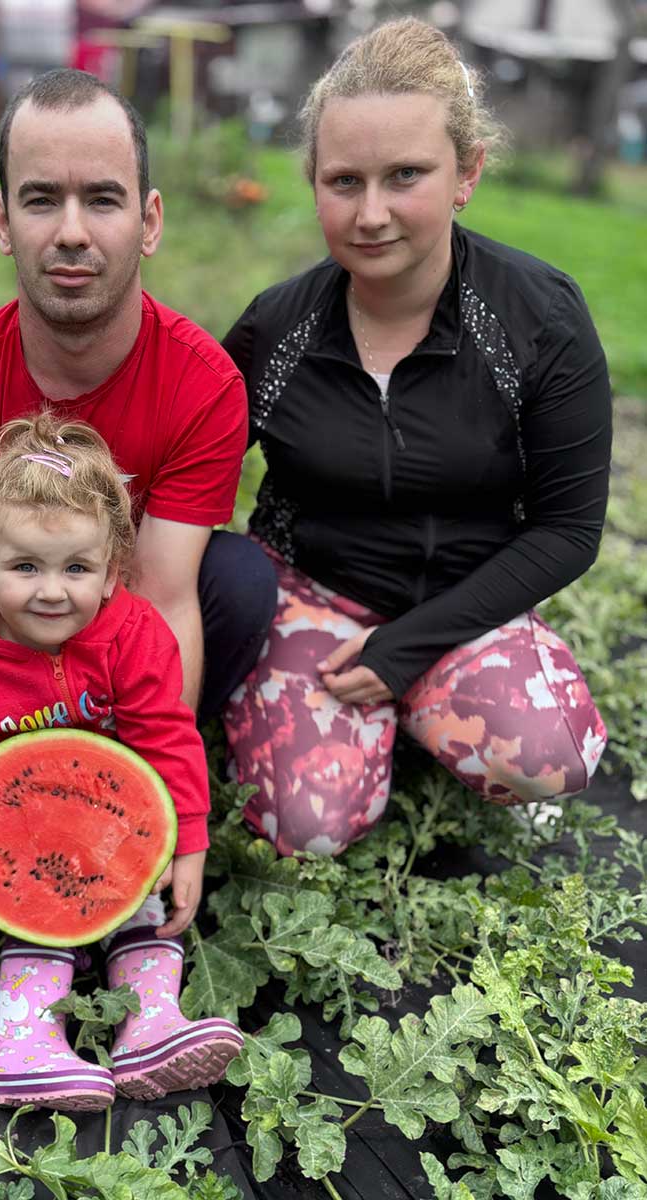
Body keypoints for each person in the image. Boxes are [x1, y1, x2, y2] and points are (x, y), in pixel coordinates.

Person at [221, 17, 612, 857]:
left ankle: (437, 701)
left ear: (465, 172)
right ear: (314, 183)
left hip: (465, 601)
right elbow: (186, 476)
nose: (370, 214)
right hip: (315, 596)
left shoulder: (538, 319)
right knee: (306, 831)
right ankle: (355, 735)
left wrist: (405, 649)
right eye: (343, 181)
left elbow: (569, 530)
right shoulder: (276, 328)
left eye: (405, 176)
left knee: (554, 757)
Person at [0, 67, 276, 890]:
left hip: (122, 629)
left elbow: (165, 599)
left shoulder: (205, 384)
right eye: (41, 200)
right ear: (3, 221)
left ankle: (159, 746)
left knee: (240, 580)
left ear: (149, 222)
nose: (71, 231)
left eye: (102, 200)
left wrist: (135, 797)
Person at [0, 412, 244, 1110]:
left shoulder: (136, 636)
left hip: (112, 812)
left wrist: (186, 840)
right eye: (24, 567)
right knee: (30, 905)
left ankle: (150, 1024)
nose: (50, 592)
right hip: (21, 820)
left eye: (75, 569)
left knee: (142, 898)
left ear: (110, 573)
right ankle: (23, 1045)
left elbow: (165, 736)